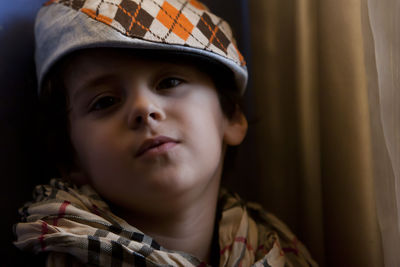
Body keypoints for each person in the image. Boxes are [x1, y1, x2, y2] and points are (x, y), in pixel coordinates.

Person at [13, 0, 318, 266]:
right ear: (72, 158)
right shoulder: (61, 253)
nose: (144, 109)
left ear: (232, 117)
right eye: (105, 102)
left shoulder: (278, 250)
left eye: (169, 82)